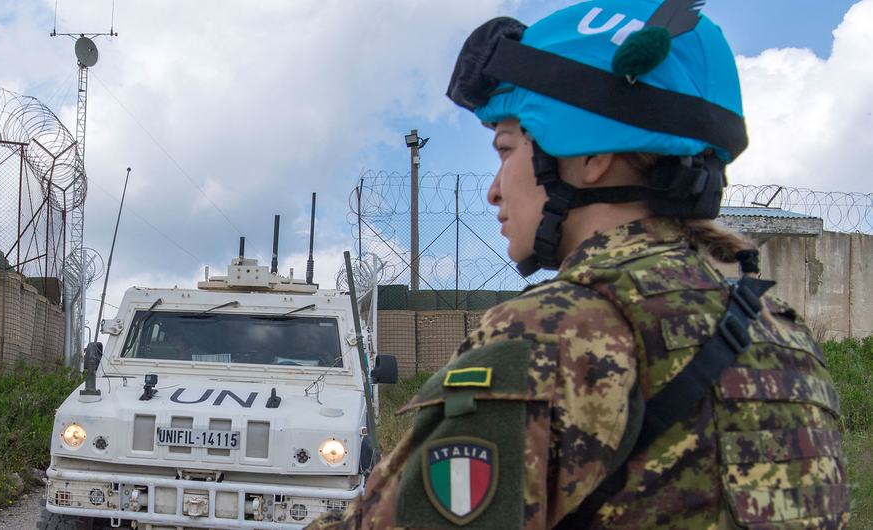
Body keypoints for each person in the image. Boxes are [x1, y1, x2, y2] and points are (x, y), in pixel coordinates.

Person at [310, 0, 850, 528]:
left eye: (505, 150)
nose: (496, 191)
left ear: (590, 155)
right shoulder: (782, 333)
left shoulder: (556, 333)